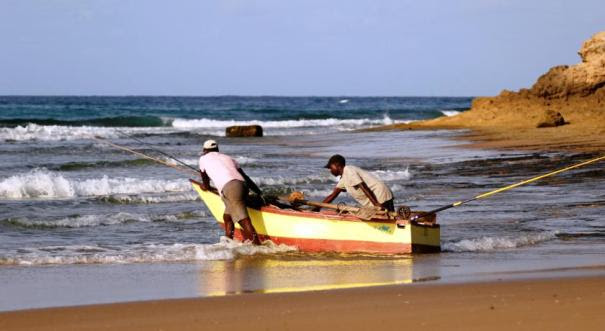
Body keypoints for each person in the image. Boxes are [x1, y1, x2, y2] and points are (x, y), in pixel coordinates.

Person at [198, 139, 262, 245]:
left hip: (231, 188)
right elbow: (245, 177)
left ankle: (257, 245)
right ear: (217, 149)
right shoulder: (228, 158)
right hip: (242, 185)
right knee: (227, 217)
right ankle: (228, 242)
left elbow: (204, 179)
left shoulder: (203, 159)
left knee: (243, 220)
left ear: (204, 150)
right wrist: (258, 192)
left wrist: (205, 187)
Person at [319, 154, 394, 212]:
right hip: (378, 196)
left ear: (337, 165)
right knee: (389, 216)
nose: (330, 170)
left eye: (331, 167)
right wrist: (317, 208)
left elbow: (363, 186)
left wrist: (376, 204)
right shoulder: (344, 178)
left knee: (385, 217)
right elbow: (332, 195)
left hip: (379, 194)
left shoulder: (348, 170)